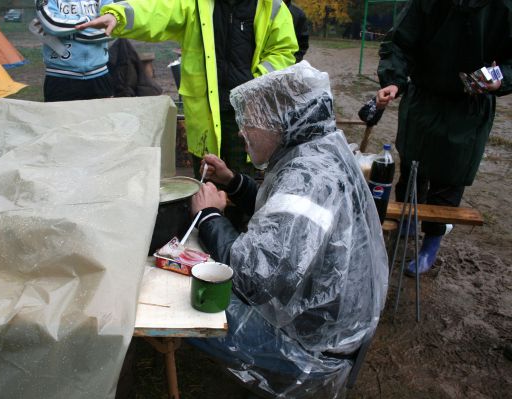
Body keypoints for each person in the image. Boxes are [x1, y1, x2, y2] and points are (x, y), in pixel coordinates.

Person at [186, 62, 388, 398]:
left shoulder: (307, 177)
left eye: (249, 121)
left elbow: (252, 277)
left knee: (189, 302)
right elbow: (284, 220)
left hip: (313, 345)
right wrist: (234, 183)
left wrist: (208, 215)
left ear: (280, 123)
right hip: (335, 323)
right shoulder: (317, 151)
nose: (241, 130)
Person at [76, 0, 298, 177]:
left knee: (242, 186)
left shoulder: (272, 6)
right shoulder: (194, 4)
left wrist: (256, 82)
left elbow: (284, 51)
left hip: (248, 116)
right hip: (206, 121)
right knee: (205, 188)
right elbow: (158, 10)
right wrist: (119, 14)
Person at [375, 0, 512, 275]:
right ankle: (406, 223)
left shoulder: (503, 7)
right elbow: (400, 41)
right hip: (424, 98)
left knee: (450, 177)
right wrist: (394, 79)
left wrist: (500, 78)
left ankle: (431, 243)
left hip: (468, 107)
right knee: (413, 165)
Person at [35, 0, 116, 102]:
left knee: (102, 117)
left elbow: (113, 29)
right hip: (60, 77)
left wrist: (64, 32)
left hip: (100, 75)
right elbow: (52, 25)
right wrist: (92, 21)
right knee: (61, 118)